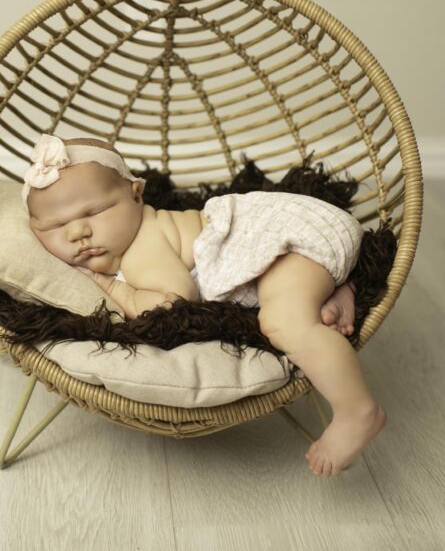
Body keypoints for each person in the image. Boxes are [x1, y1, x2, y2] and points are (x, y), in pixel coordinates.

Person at [22, 133, 386, 477]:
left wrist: (111, 288)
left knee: (282, 321)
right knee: (290, 296)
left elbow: (173, 301)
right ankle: (337, 287)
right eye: (56, 227)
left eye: (93, 213)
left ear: (136, 195)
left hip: (290, 240)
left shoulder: (142, 247)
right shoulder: (121, 245)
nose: (77, 233)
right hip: (300, 243)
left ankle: (357, 409)